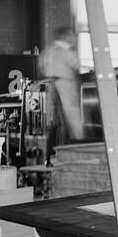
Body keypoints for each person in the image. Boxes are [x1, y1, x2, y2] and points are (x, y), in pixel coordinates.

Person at [39, 25, 84, 153]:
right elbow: (76, 65)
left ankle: (54, 149)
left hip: (51, 85)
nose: (73, 38)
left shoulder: (48, 50)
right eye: (71, 35)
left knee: (56, 119)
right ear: (65, 36)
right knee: (71, 117)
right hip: (64, 84)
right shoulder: (65, 50)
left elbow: (42, 67)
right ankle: (74, 146)